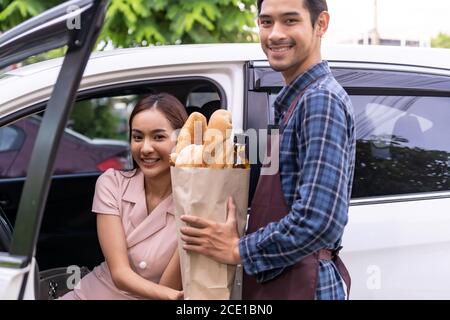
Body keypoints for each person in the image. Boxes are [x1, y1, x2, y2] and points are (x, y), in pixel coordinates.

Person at [180, 0, 355, 300]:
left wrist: (238, 249)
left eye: (290, 21)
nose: (274, 34)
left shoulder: (319, 101)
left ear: (321, 24)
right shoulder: (296, 101)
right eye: (266, 22)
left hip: (303, 284)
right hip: (286, 277)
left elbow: (319, 220)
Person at [60, 93, 187, 300]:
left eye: (158, 137)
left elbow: (169, 285)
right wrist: (173, 297)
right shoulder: (112, 183)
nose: (145, 148)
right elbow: (120, 274)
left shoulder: (194, 202)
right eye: (137, 137)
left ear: (181, 141)